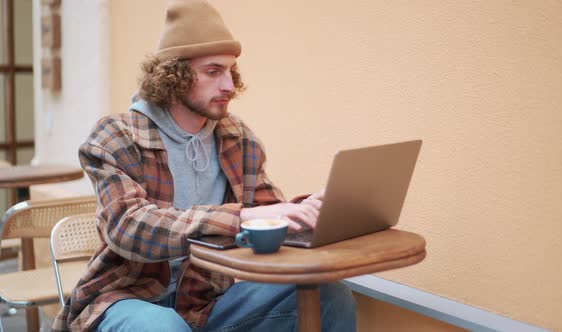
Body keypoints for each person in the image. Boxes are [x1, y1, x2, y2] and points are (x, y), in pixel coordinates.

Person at [51, 1, 356, 331]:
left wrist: (308, 213)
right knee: (164, 327)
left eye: (230, 71)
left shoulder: (237, 139)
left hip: (206, 304)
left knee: (329, 294)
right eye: (213, 71)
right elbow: (128, 227)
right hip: (126, 299)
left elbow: (267, 215)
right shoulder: (116, 136)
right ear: (175, 76)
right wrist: (239, 218)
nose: (229, 85)